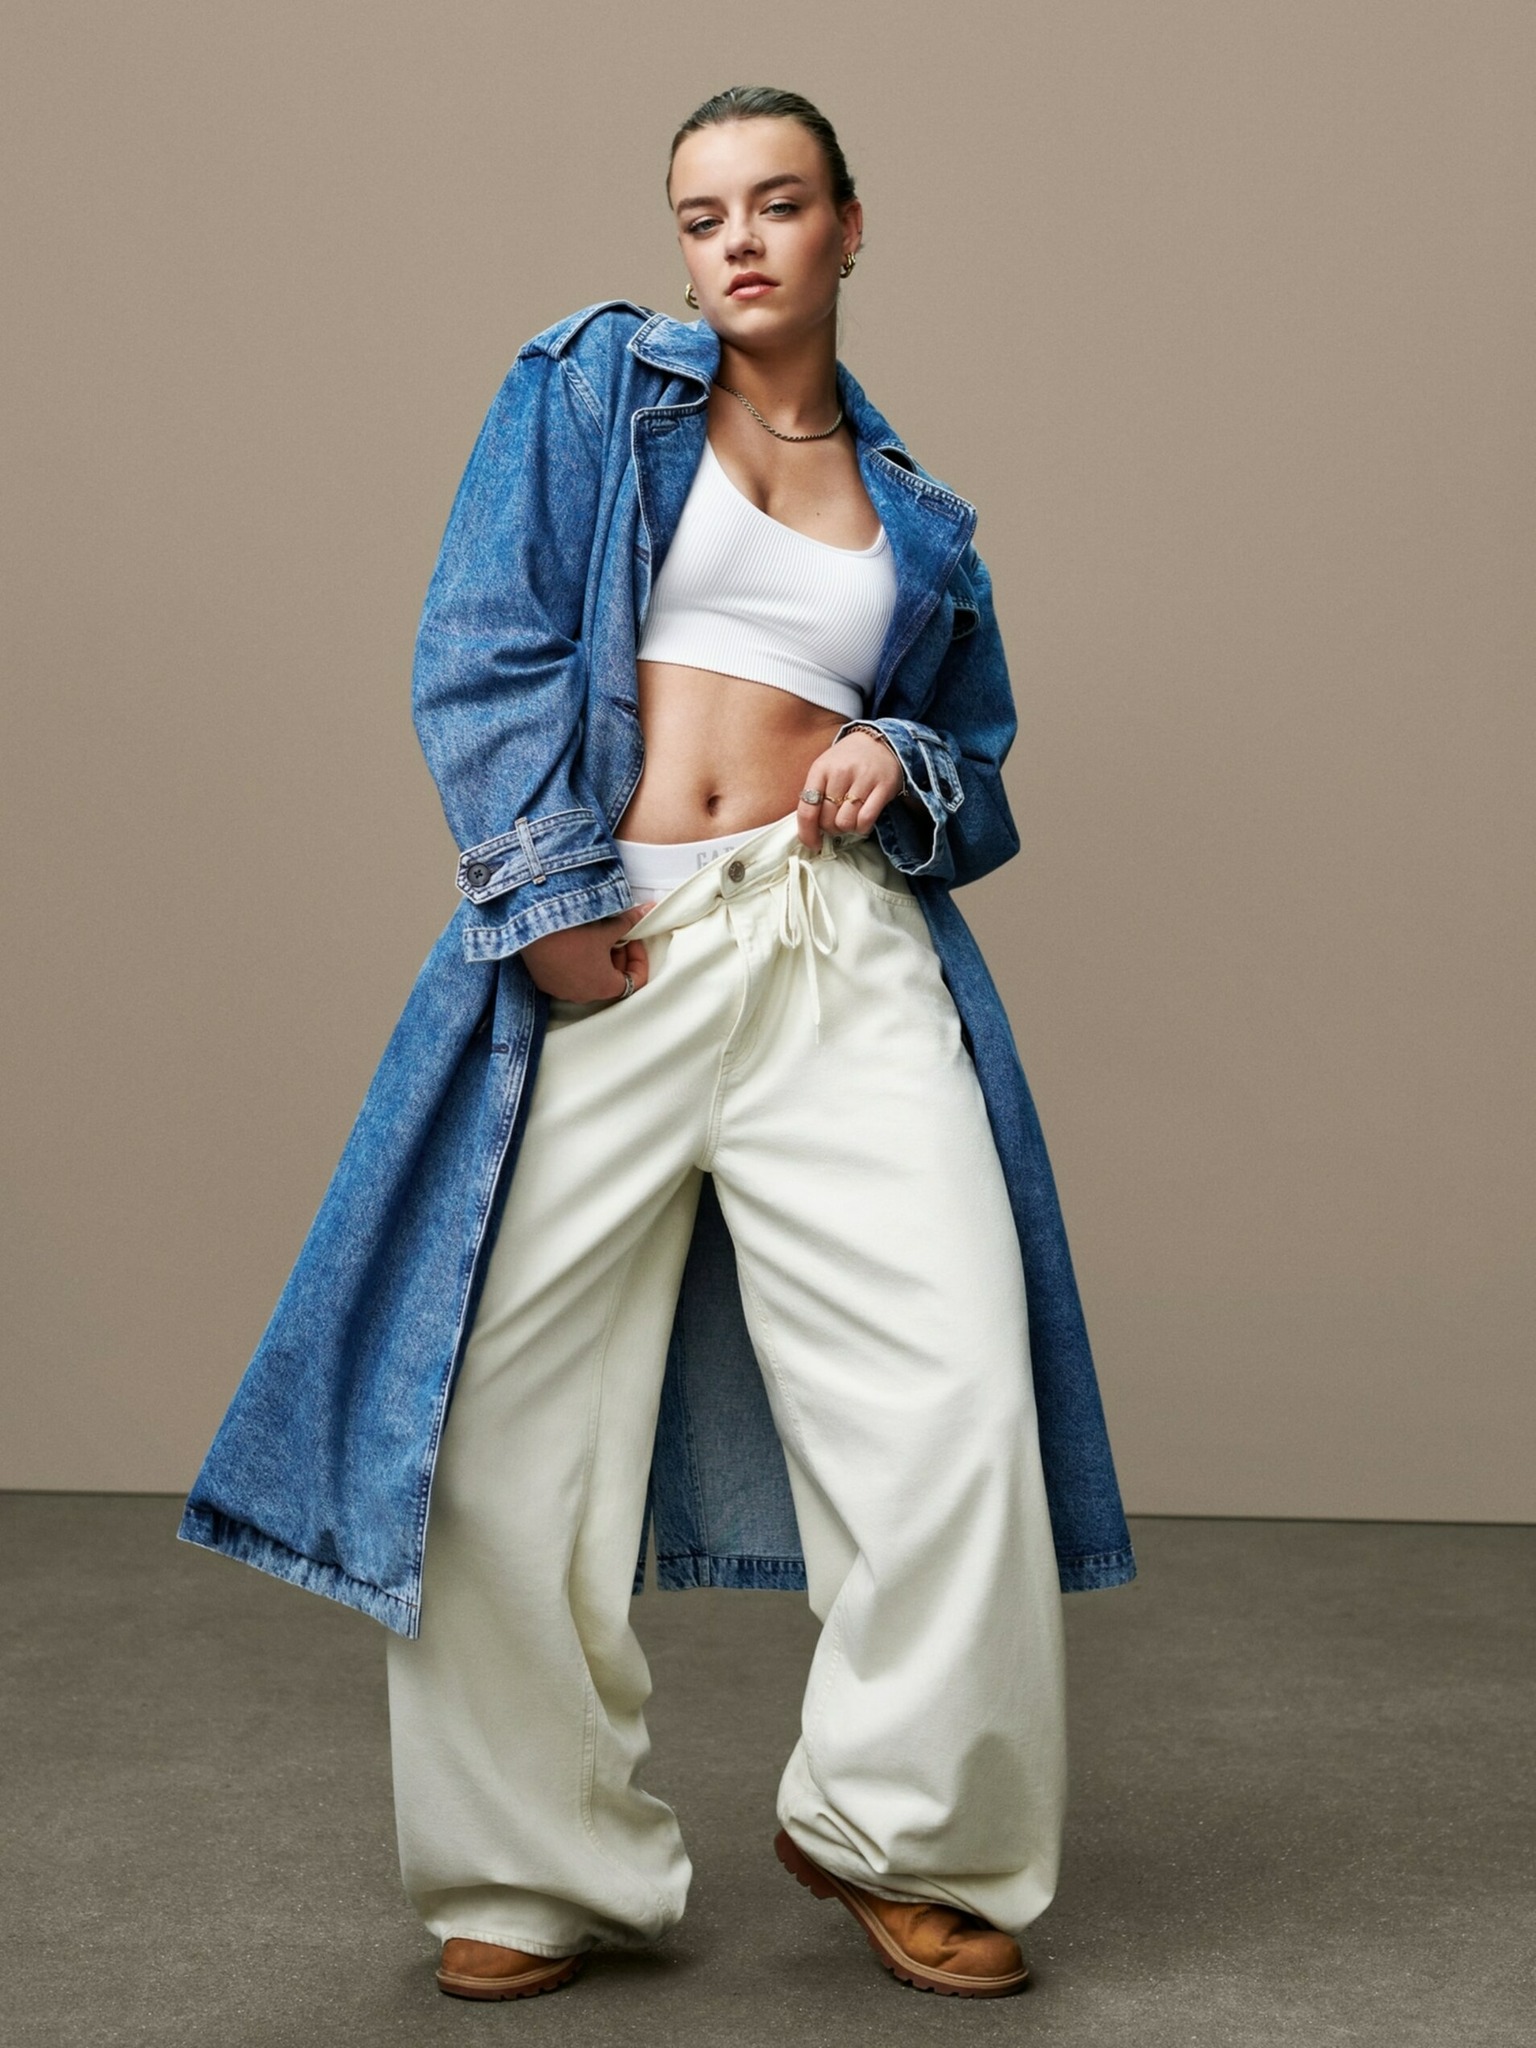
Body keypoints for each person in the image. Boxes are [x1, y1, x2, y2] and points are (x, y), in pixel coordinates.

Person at [179, 84, 1136, 2004]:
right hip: (614, 941)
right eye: (705, 217)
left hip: (836, 947)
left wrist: (903, 757)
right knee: (503, 1425)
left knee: (956, 1399)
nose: (740, 244)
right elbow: (486, 641)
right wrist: (542, 895)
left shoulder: (922, 519)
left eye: (779, 205)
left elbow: (979, 763)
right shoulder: (592, 391)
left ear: (850, 226)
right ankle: (537, 1867)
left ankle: (901, 1829)